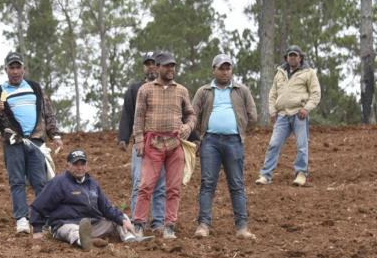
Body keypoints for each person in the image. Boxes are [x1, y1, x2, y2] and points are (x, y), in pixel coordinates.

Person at [0, 51, 63, 234]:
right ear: (6, 70)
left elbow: (48, 112)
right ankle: (21, 219)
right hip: (13, 142)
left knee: (40, 181)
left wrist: (55, 135)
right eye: (11, 68)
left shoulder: (35, 88)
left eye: (18, 67)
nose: (15, 71)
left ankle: (41, 218)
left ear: (23, 69)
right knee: (17, 181)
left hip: (36, 141)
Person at [191, 54, 258, 239]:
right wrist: (199, 134)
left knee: (237, 184)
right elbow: (192, 114)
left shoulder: (241, 90)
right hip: (210, 142)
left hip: (234, 141)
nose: (225, 71)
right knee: (207, 183)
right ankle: (203, 225)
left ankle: (242, 227)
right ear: (213, 70)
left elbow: (253, 115)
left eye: (228, 68)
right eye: (221, 68)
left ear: (232, 70)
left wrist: (240, 130)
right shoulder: (203, 91)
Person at [132, 51, 195, 239]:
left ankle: (169, 226)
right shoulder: (145, 90)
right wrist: (139, 141)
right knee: (145, 186)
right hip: (153, 143)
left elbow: (191, 114)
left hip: (176, 143)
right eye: (167, 66)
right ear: (158, 67)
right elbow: (139, 117)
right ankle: (138, 224)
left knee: (174, 188)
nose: (171, 69)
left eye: (173, 66)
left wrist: (188, 127)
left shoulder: (181, 90)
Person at [29, 149, 142, 250]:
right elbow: (39, 206)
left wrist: (122, 220)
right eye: (75, 164)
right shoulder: (58, 182)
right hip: (66, 224)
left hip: (92, 224)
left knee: (120, 218)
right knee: (72, 230)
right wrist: (37, 230)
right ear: (68, 166)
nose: (80, 168)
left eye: (82, 164)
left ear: (87, 165)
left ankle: (130, 238)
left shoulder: (93, 184)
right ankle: (82, 242)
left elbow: (106, 208)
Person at [256, 45, 321, 187]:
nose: (293, 57)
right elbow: (272, 94)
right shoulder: (279, 73)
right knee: (273, 144)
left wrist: (307, 108)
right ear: (286, 58)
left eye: (295, 55)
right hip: (282, 115)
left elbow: (316, 94)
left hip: (299, 114)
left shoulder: (309, 73)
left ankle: (301, 173)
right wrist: (272, 111)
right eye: (290, 55)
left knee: (302, 145)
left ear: (300, 57)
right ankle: (266, 175)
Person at [117, 51, 166, 231]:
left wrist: (191, 137)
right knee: (139, 182)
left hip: (163, 142)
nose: (151, 66)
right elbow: (127, 114)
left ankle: (158, 221)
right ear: (144, 67)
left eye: (154, 63)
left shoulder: (168, 88)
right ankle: (138, 222)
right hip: (141, 141)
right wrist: (123, 137)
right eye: (148, 63)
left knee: (160, 184)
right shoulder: (135, 89)